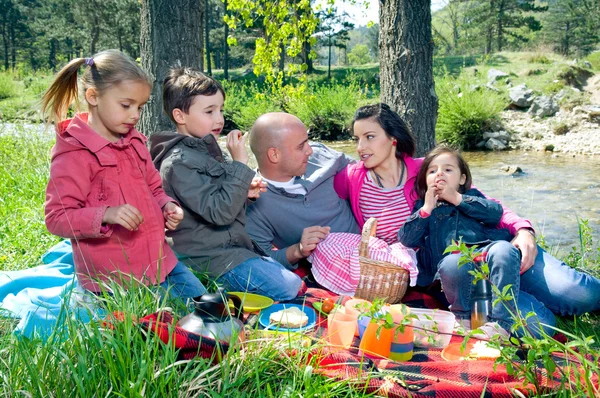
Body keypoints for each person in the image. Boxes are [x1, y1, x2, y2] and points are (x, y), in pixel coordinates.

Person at [337, 103, 600, 338]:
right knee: (539, 325)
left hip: (499, 250)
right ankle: (525, 302)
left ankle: (550, 295)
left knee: (582, 295)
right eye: (357, 139)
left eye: (369, 137)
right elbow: (314, 185)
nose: (360, 147)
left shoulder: (426, 168)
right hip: (458, 270)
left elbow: (485, 202)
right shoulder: (351, 178)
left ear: (392, 139)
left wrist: (523, 229)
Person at [43, 50, 206, 299]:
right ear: (93, 97)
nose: (135, 115)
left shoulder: (135, 142)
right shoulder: (74, 154)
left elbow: (154, 188)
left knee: (207, 309)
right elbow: (56, 218)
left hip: (160, 261)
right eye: (126, 105)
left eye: (140, 106)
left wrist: (167, 206)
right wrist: (106, 214)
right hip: (114, 277)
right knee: (166, 328)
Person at [149, 68, 302, 301]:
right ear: (180, 116)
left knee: (291, 280)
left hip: (231, 247)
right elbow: (219, 213)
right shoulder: (178, 164)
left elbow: (221, 198)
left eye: (220, 110)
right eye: (209, 111)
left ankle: (229, 288)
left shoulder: (206, 148)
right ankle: (210, 287)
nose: (219, 119)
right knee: (288, 287)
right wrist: (240, 163)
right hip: (207, 257)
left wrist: (246, 192)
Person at [398, 146, 555, 339]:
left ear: (462, 179)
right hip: (454, 267)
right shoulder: (422, 208)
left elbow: (495, 212)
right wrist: (427, 208)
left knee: (504, 250)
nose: (439, 173)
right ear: (425, 181)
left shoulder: (472, 197)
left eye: (448, 169)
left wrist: (457, 199)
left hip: (486, 253)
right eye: (432, 171)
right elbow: (406, 238)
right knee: (452, 263)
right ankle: (462, 319)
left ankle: (500, 323)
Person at [246, 113, 361, 270]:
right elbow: (262, 260)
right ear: (274, 155)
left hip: (372, 247)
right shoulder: (253, 199)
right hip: (332, 271)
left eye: (308, 141)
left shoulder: (321, 156)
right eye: (301, 146)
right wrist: (298, 250)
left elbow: (365, 173)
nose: (310, 151)